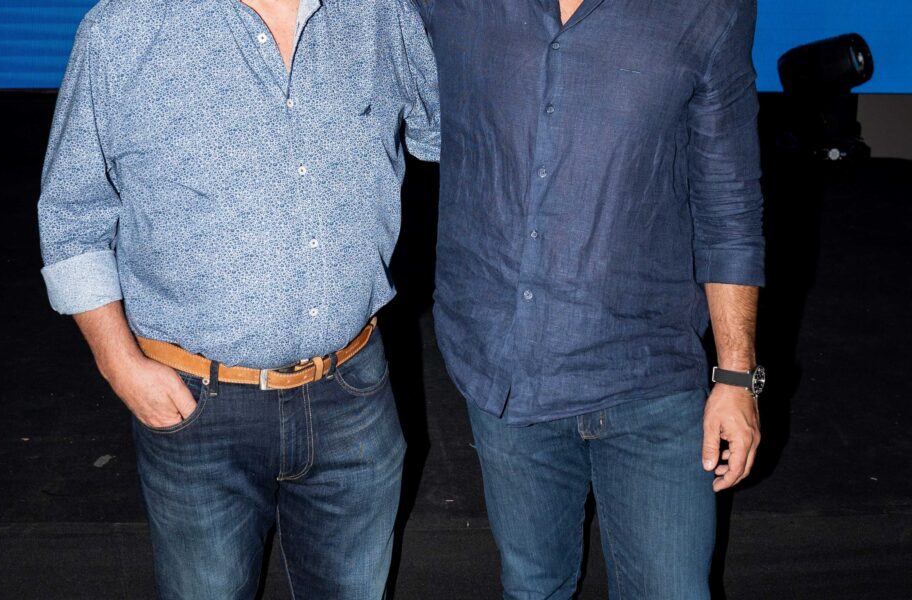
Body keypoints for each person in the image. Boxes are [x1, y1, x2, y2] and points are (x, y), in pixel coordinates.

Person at [37, 0, 439, 597]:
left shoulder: (380, 14)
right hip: (195, 408)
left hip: (354, 395)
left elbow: (456, 135)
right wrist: (120, 365)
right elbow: (71, 217)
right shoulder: (123, 28)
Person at [416, 0, 765, 598]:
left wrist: (736, 376)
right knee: (533, 588)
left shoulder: (707, 9)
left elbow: (728, 203)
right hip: (506, 370)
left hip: (650, 375)